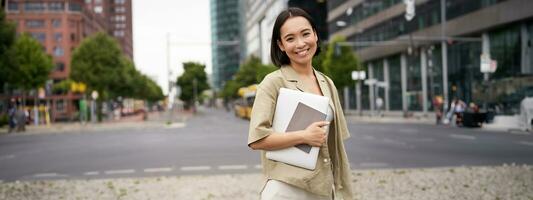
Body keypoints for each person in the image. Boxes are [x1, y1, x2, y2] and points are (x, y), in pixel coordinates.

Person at [248, 8, 353, 200]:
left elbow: (336, 146)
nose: (300, 43)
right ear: (280, 45)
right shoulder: (273, 82)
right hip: (285, 189)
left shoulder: (327, 83)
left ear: (315, 34)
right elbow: (257, 139)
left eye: (305, 34)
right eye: (290, 38)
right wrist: (304, 136)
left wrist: (343, 190)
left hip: (321, 189)